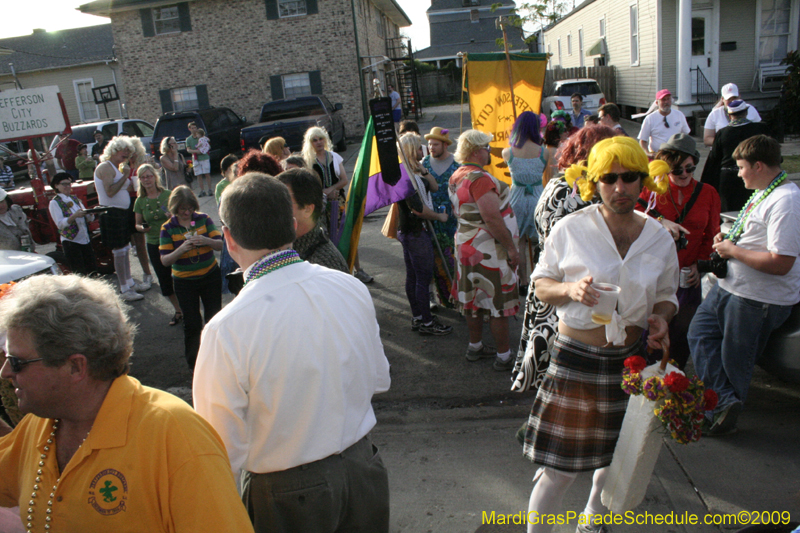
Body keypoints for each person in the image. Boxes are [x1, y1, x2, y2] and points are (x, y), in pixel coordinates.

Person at [193, 173, 391, 533]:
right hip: (363, 469)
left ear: (228, 238)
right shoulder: (348, 285)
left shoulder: (226, 329)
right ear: (293, 225)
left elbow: (219, 448)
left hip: (288, 492)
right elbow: (379, 378)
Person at [0, 275, 255, 532]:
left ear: (75, 366)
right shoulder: (44, 423)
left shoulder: (175, 435)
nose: (5, 372)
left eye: (17, 361)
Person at [525, 136, 678, 533]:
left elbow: (665, 296)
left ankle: (593, 522)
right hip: (576, 358)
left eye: (629, 177)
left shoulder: (659, 237)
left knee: (614, 460)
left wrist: (660, 318)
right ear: (594, 181)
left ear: (644, 181)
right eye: (609, 178)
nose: (620, 187)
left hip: (628, 360)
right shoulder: (571, 228)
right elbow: (541, 285)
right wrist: (569, 290)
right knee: (558, 471)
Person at [689, 135, 800, 436]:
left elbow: (781, 263)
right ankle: (723, 402)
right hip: (733, 288)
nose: (738, 174)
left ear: (759, 165)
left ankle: (723, 418)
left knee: (735, 361)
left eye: (741, 167)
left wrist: (733, 251)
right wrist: (728, 241)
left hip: (757, 299)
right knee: (699, 333)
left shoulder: (786, 201)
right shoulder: (765, 192)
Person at [511, 125, 622, 394]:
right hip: (565, 295)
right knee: (561, 380)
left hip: (552, 288)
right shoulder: (575, 192)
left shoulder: (557, 184)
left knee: (551, 378)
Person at [636, 133, 720, 369]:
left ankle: (673, 381)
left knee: (681, 336)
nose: (684, 175)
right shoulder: (654, 189)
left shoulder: (708, 193)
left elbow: (712, 234)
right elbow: (635, 212)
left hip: (687, 277)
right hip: (655, 273)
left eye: (690, 168)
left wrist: (699, 265)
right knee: (650, 334)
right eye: (677, 170)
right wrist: (661, 220)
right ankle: (645, 380)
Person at [450, 130, 520, 371]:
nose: (489, 151)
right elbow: (491, 217)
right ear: (477, 150)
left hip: (467, 246)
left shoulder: (458, 175)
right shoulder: (480, 178)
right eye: (487, 148)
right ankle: (503, 356)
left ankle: (475, 346)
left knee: (473, 299)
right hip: (488, 248)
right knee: (497, 303)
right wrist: (511, 248)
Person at [159, 186, 223, 369]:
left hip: (210, 276)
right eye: (182, 209)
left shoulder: (203, 219)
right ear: (175, 208)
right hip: (184, 281)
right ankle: (194, 364)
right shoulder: (168, 228)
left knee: (214, 319)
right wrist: (181, 249)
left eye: (190, 209)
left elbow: (220, 245)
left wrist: (206, 241)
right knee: (192, 323)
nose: (187, 213)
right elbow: (165, 260)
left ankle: (217, 359)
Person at [397, 133, 452, 336]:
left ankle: (419, 318)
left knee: (415, 277)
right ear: (411, 150)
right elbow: (418, 209)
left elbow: (435, 187)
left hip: (413, 231)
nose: (424, 151)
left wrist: (424, 170)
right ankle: (426, 322)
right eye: (419, 148)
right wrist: (439, 217)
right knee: (421, 277)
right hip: (415, 231)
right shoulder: (404, 176)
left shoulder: (415, 170)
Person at [502, 111, 551, 289]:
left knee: (519, 242)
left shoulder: (507, 152)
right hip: (539, 197)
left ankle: (523, 281)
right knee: (542, 241)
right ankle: (541, 280)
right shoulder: (543, 152)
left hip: (517, 198)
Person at [95, 137, 147, 301]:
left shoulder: (116, 167)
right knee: (119, 252)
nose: (126, 154)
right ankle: (125, 289)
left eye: (128, 151)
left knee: (124, 250)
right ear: (114, 150)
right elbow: (109, 192)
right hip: (111, 213)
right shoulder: (105, 167)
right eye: (123, 150)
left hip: (120, 213)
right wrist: (125, 177)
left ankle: (130, 283)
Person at [700, 99, 772, 212]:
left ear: (729, 115)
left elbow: (714, 160)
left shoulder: (722, 133)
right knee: (753, 211)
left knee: (729, 215)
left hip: (728, 180)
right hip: (754, 175)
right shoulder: (760, 129)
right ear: (746, 112)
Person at [133, 164, 182, 326]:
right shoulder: (140, 201)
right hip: (154, 243)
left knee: (181, 275)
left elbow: (182, 216)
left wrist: (172, 217)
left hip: (173, 240)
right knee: (164, 279)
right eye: (143, 177)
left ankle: (189, 307)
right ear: (139, 180)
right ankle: (178, 310)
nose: (146, 180)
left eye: (149, 176)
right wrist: (142, 228)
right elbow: (137, 224)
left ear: (155, 177)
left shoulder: (168, 195)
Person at [276, 167, 349, 272]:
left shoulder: (325, 263)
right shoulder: (289, 246)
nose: (274, 208)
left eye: (284, 201)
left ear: (307, 209)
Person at [423, 126, 459, 307]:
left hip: (452, 220)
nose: (431, 148)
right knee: (431, 259)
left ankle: (456, 296)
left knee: (453, 259)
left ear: (445, 145)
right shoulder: (424, 164)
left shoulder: (457, 164)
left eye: (435, 144)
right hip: (431, 219)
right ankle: (431, 295)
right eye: (429, 144)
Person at [48, 172, 96, 275]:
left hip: (84, 238)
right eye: (64, 184)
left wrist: (90, 214)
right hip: (71, 240)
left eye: (69, 184)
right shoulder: (55, 202)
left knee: (92, 270)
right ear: (56, 186)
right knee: (79, 272)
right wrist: (74, 216)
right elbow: (60, 224)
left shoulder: (74, 199)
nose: (67, 186)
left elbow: (86, 216)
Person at [638, 89, 690, 156]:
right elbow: (643, 140)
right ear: (657, 103)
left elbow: (686, 135)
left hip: (676, 155)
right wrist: (647, 153)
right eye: (663, 100)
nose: (666, 102)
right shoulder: (650, 118)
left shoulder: (679, 115)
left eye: (668, 99)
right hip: (658, 155)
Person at [186, 122, 212, 197]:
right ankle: (202, 190)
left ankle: (209, 189)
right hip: (196, 159)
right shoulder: (189, 139)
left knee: (207, 173)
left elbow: (208, 146)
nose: (194, 129)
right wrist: (196, 151)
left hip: (204, 157)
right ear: (189, 129)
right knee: (198, 174)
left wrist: (204, 150)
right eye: (192, 128)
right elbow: (188, 149)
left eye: (195, 128)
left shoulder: (201, 137)